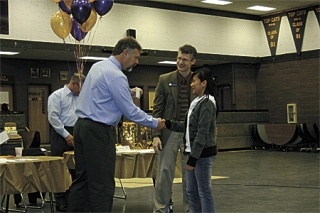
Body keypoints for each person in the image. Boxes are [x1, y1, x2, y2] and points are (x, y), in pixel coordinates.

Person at [67, 37, 165, 213]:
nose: (137, 61)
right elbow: (130, 111)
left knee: (83, 180)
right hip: (98, 130)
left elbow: (105, 93)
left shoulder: (98, 67)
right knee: (102, 184)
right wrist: (155, 123)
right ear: (125, 53)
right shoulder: (116, 75)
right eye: (135, 57)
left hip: (81, 127)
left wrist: (129, 91)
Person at [165, 67, 218, 213]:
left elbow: (202, 133)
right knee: (191, 193)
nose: (191, 84)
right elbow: (187, 125)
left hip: (202, 155)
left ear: (204, 83)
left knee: (204, 192)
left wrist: (193, 158)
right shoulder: (197, 102)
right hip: (192, 154)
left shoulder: (207, 103)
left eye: (194, 81)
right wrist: (168, 123)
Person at [152, 44, 198, 213]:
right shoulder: (165, 79)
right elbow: (157, 109)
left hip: (190, 135)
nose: (180, 62)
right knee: (164, 173)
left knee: (190, 175)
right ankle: (160, 209)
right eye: (178, 58)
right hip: (168, 132)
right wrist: (156, 134)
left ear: (193, 61)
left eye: (185, 59)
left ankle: (190, 209)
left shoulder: (198, 81)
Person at [47, 72, 85, 212]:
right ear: (74, 84)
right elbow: (53, 118)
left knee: (76, 167)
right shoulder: (57, 96)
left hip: (77, 131)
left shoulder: (80, 96)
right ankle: (60, 200)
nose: (81, 91)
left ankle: (73, 199)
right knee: (60, 168)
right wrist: (66, 134)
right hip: (60, 133)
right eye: (80, 88)